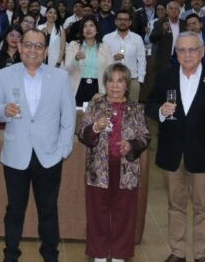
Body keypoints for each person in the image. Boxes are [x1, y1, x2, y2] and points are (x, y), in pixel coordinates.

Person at [0, 28, 75, 262]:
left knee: (48, 210)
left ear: (45, 51)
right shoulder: (5, 75)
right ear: (19, 46)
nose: (32, 50)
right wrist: (3, 111)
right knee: (15, 209)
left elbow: (68, 117)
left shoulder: (60, 77)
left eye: (38, 46)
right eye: (27, 45)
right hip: (16, 154)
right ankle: (11, 254)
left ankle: (50, 254)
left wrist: (63, 149)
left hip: (50, 155)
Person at [147, 32, 205, 262]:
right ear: (176, 53)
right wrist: (160, 111)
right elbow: (150, 105)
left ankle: (201, 254)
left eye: (192, 49)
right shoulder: (165, 75)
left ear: (202, 52)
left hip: (204, 154)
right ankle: (177, 252)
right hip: (172, 152)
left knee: (202, 208)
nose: (187, 54)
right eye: (182, 50)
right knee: (175, 205)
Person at [79, 63, 150, 261]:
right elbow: (83, 134)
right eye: (110, 81)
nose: (115, 85)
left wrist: (131, 145)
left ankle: (119, 256)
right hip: (98, 170)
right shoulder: (95, 105)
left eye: (120, 81)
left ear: (127, 85)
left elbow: (145, 137)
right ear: (105, 83)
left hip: (127, 170)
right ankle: (99, 257)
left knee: (124, 216)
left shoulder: (136, 108)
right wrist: (95, 128)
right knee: (97, 216)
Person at [101, 9, 146, 102]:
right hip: (112, 80)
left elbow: (142, 59)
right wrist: (113, 57)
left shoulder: (137, 38)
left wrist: (140, 79)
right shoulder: (107, 38)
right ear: (115, 21)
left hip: (132, 80)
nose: (123, 22)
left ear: (130, 23)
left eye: (125, 20)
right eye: (120, 19)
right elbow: (102, 58)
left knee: (132, 108)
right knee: (112, 106)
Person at [65, 17, 112, 106]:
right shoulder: (73, 45)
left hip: (98, 87)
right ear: (81, 31)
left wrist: (103, 91)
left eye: (91, 25)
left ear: (97, 30)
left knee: (97, 114)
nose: (88, 29)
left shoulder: (104, 46)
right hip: (78, 87)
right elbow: (67, 69)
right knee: (77, 114)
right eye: (85, 26)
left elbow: (110, 71)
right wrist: (76, 59)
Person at [149, 1, 187, 81]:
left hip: (182, 61)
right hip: (164, 61)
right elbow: (152, 39)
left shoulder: (184, 24)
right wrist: (162, 30)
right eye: (171, 9)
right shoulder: (159, 23)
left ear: (179, 11)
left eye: (176, 9)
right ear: (166, 11)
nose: (173, 11)